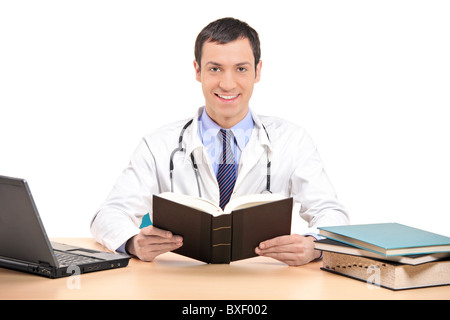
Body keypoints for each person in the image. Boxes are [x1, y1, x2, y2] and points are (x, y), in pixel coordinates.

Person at [90, 17, 349, 266]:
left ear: (257, 71)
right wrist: (133, 242)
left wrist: (313, 245)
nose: (227, 84)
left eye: (241, 69)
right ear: (197, 71)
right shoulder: (157, 144)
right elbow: (108, 215)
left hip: (264, 279)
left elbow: (331, 212)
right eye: (215, 69)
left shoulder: (293, 140)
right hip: (180, 279)